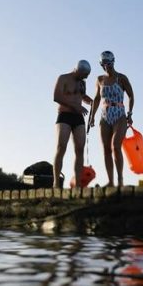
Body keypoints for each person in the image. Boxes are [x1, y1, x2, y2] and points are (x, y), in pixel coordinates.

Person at [89, 51, 135, 187]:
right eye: (103, 64)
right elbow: (97, 98)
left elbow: (131, 95)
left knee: (115, 146)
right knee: (106, 149)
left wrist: (130, 113)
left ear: (113, 62)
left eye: (108, 63)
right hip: (104, 115)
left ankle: (120, 179)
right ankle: (110, 181)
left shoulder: (121, 78)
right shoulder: (99, 79)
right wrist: (92, 116)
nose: (106, 66)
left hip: (119, 114)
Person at [53, 60, 93, 189]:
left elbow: (82, 96)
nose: (86, 77)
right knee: (61, 147)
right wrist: (75, 106)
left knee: (80, 149)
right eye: (85, 74)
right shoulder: (63, 78)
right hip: (64, 116)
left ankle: (78, 184)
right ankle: (56, 182)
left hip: (78, 117)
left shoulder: (82, 83)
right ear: (78, 70)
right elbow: (56, 97)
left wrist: (93, 102)